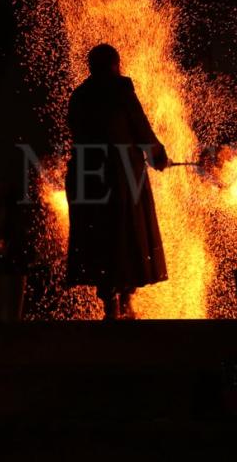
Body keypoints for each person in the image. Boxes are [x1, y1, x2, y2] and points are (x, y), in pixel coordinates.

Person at [65, 44, 170, 320]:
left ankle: (109, 304)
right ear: (115, 64)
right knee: (128, 237)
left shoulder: (79, 96)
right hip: (122, 179)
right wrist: (157, 154)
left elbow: (75, 132)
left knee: (100, 239)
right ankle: (125, 303)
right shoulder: (120, 91)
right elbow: (140, 127)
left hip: (88, 181)